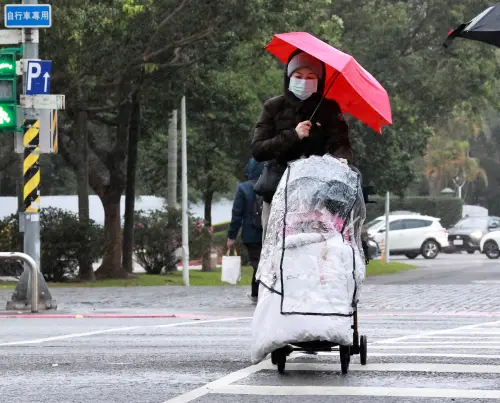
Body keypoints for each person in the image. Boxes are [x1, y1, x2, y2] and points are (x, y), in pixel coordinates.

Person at [251, 50, 352, 239]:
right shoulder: (273, 107)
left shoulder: (329, 109)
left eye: (310, 77)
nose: (304, 81)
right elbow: (258, 150)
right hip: (278, 191)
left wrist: (340, 159)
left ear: (319, 80)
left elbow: (342, 144)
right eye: (298, 76)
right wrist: (292, 135)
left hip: (318, 196)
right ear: (289, 77)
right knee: (275, 248)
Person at [227, 158, 265, 304]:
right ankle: (261, 293)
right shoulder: (273, 186)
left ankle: (256, 294)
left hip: (251, 233)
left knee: (257, 263)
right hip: (268, 232)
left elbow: (237, 214)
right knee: (265, 264)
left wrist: (231, 236)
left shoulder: (243, 188)